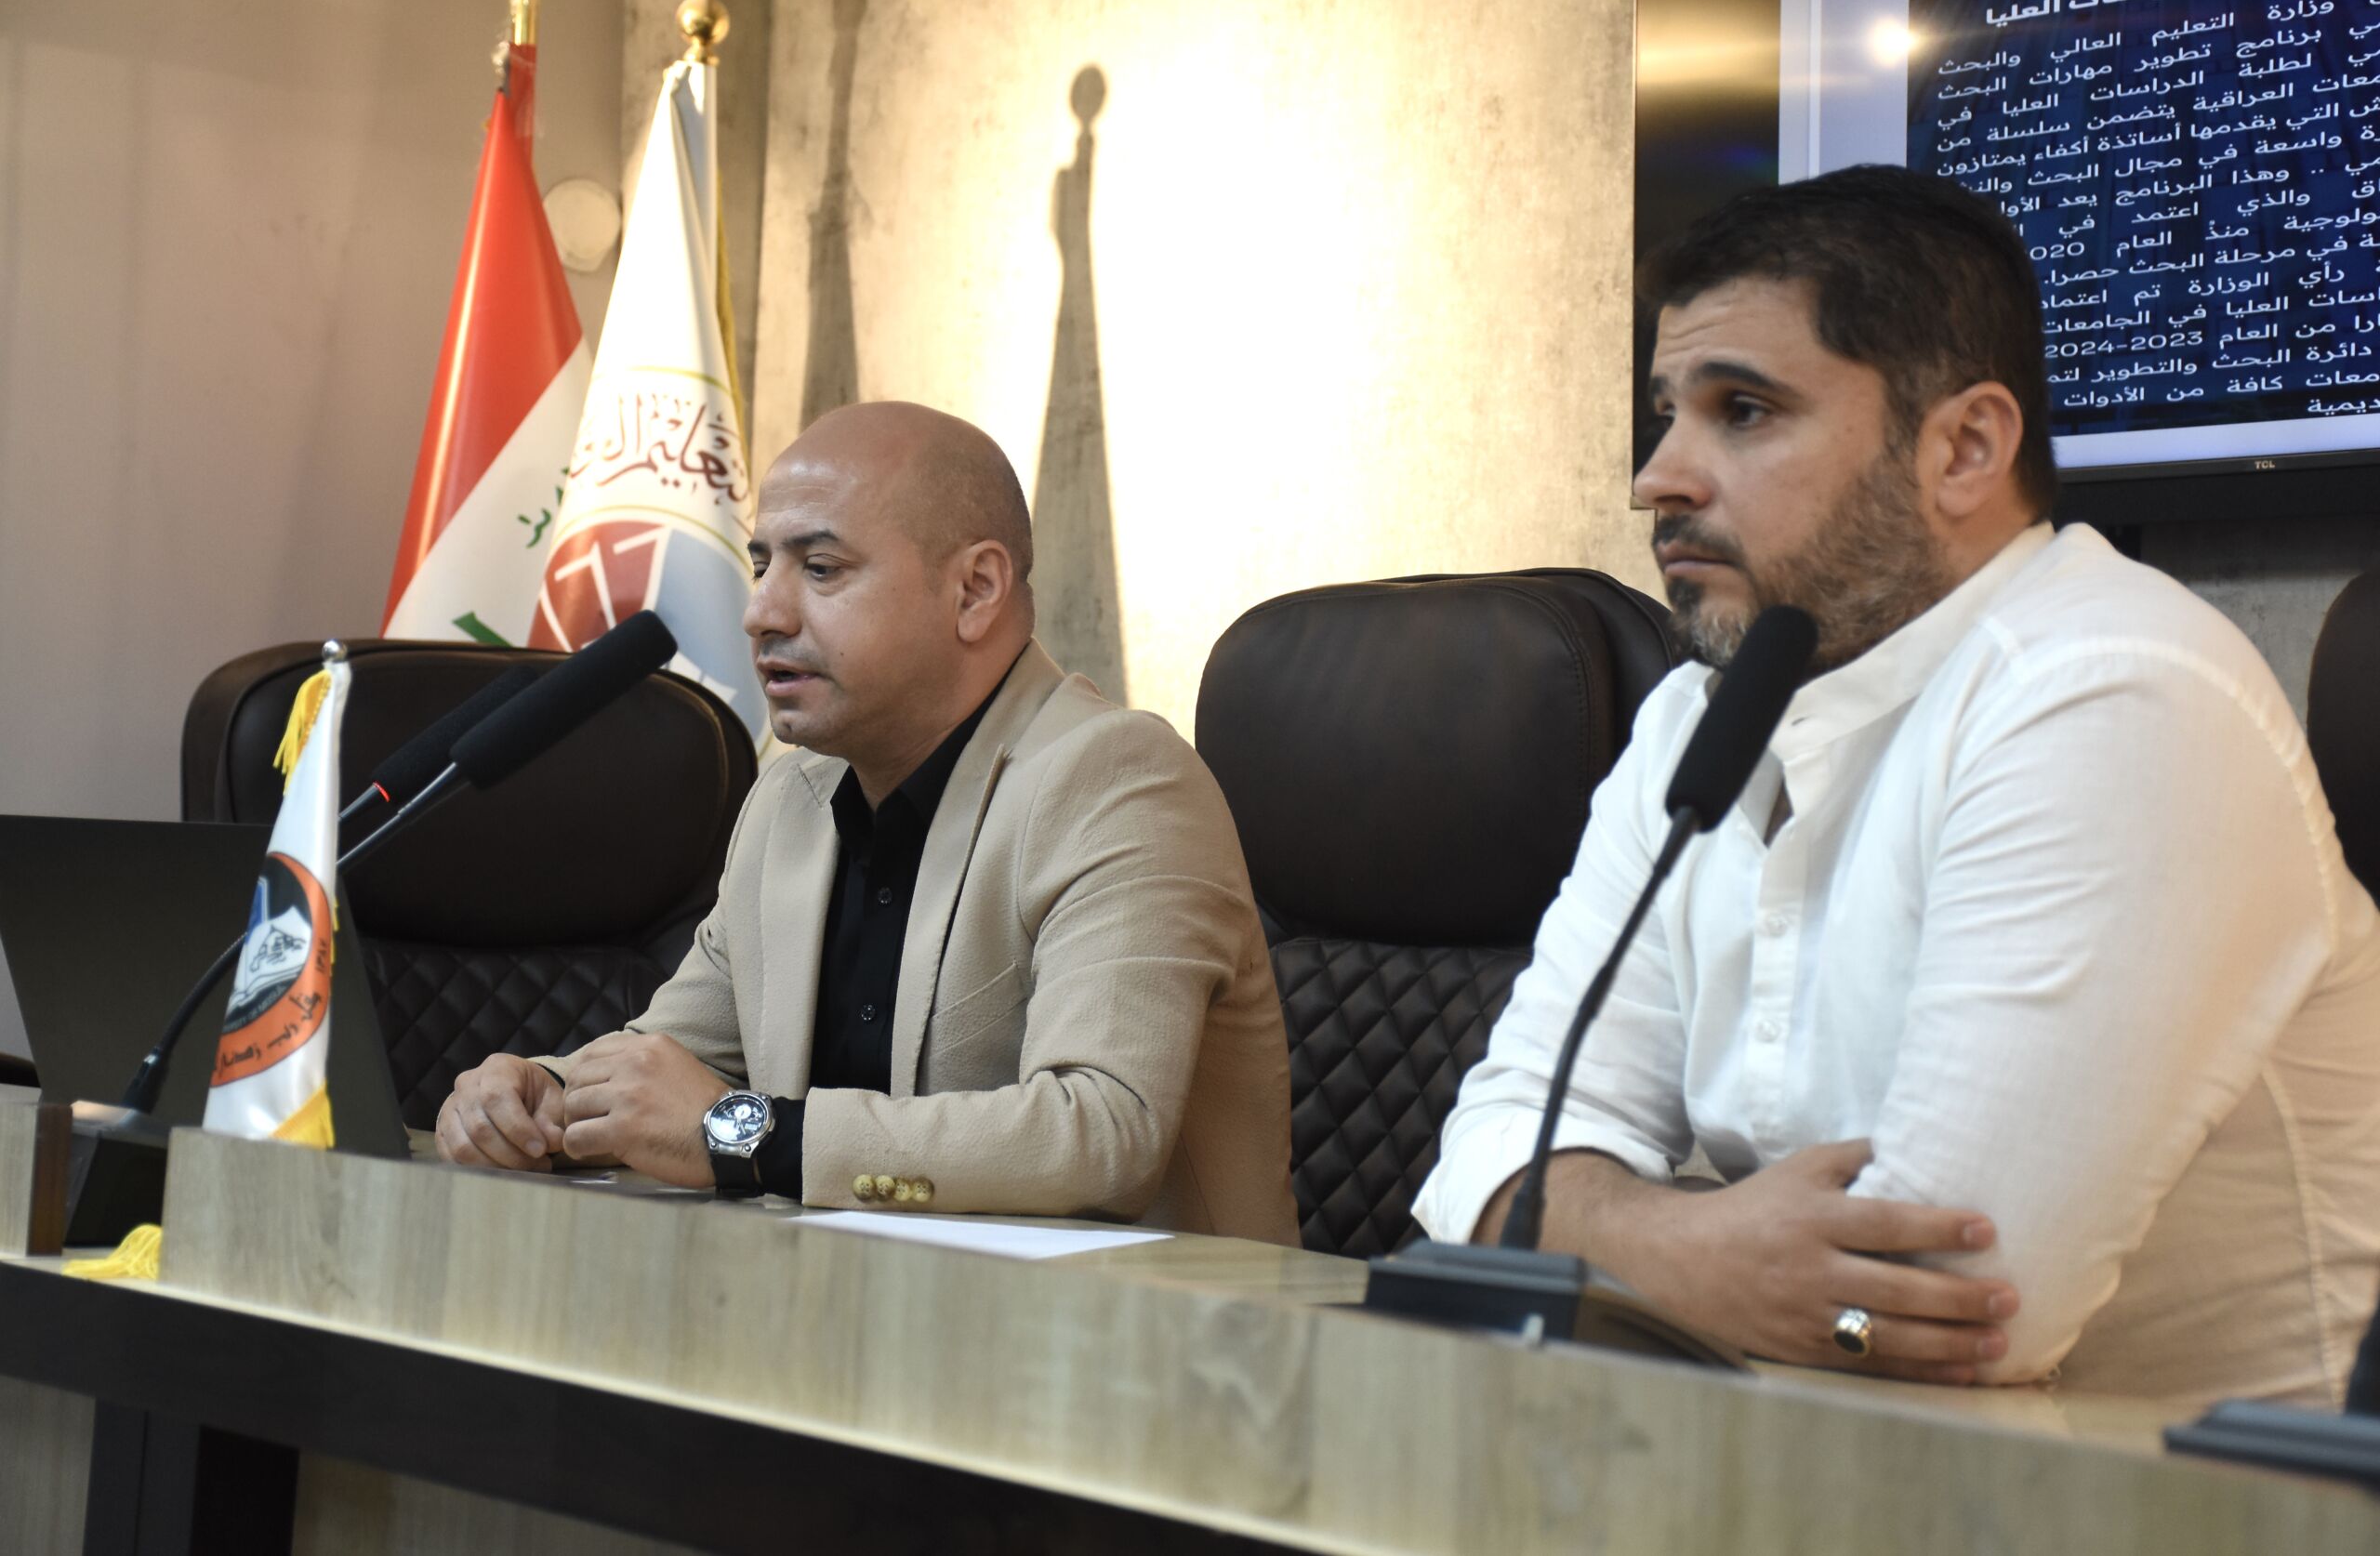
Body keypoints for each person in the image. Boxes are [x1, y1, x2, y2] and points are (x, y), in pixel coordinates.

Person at [1412, 165, 2380, 1404]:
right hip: (1830, 1467)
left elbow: (1962, 1302)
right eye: (1666, 413)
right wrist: (1694, 1249)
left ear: (1963, 448)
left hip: (2195, 1498)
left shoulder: (2112, 685)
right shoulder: (1692, 719)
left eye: (1742, 410)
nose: (1659, 476)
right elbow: (1488, 1154)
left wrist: (1597, 1232)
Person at [437, 402, 1299, 1245]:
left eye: (821, 569)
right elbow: (674, 1067)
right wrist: (538, 1098)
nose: (762, 612)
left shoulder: (1119, 782)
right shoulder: (791, 799)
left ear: (975, 590)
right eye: (762, 564)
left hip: (1137, 1329)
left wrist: (745, 1136)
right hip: (846, 1310)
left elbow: (1101, 1134)